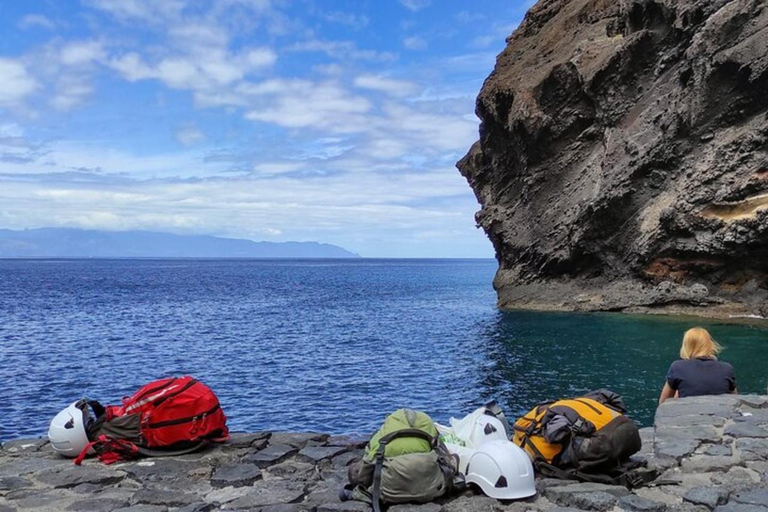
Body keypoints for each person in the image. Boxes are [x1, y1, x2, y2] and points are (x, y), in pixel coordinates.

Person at [658, 327, 737, 404]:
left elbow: (663, 403)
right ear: (709, 344)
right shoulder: (727, 369)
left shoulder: (678, 367)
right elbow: (735, 400)